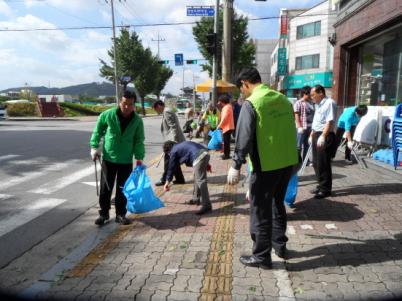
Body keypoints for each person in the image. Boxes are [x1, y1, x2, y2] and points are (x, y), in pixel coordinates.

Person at [227, 67, 298, 269]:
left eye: (241, 89)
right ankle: (280, 246)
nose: (242, 93)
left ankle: (261, 257)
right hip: (287, 163)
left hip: (265, 165)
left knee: (260, 211)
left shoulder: (252, 103)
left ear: (245, 84)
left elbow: (244, 136)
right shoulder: (283, 99)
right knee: (277, 204)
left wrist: (236, 164)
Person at [90, 90, 145, 226]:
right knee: (105, 188)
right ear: (120, 101)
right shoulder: (108, 115)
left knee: (122, 189)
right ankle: (104, 214)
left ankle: (120, 214)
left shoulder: (137, 121)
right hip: (109, 158)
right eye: (124, 104)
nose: (127, 107)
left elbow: (139, 140)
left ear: (134, 105)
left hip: (126, 160)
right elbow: (98, 131)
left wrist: (139, 158)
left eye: (130, 104)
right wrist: (94, 147)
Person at [163, 141, 212, 215]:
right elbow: (197, 149)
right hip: (205, 153)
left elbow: (171, 167)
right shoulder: (180, 145)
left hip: (198, 157)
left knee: (201, 181)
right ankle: (195, 199)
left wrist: (167, 181)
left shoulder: (173, 151)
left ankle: (207, 205)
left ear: (168, 150)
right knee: (196, 177)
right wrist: (206, 164)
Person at [308, 85, 337, 199]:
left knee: (323, 163)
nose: (311, 97)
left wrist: (323, 136)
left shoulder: (329, 103)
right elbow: (316, 121)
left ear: (321, 93)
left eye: (313, 95)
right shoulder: (318, 105)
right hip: (317, 133)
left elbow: (329, 121)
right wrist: (312, 134)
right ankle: (320, 185)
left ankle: (325, 189)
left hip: (325, 135)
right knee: (316, 162)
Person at [153, 100, 186, 186]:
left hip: (172, 141)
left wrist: (173, 141)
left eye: (156, 109)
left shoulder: (166, 111)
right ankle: (180, 179)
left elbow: (173, 127)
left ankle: (164, 180)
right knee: (174, 160)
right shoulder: (166, 111)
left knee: (167, 161)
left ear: (159, 106)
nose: (157, 111)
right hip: (172, 140)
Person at [293, 86, 315, 163]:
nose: (311, 95)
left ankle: (306, 161)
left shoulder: (311, 103)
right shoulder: (298, 103)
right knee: (298, 146)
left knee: (307, 145)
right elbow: (296, 115)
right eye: (310, 94)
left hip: (310, 127)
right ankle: (296, 161)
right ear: (305, 94)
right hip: (302, 127)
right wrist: (299, 127)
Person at [217, 94, 235, 160]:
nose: (218, 103)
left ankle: (226, 155)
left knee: (226, 141)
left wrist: (219, 126)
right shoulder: (228, 106)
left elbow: (224, 118)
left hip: (227, 127)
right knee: (226, 141)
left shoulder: (226, 107)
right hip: (228, 126)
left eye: (219, 101)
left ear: (222, 101)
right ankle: (226, 154)